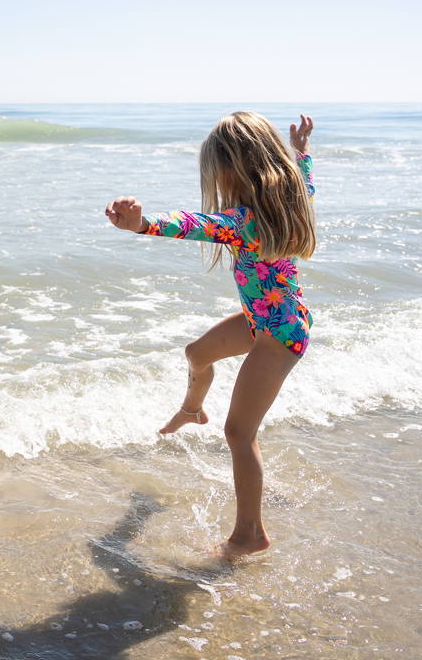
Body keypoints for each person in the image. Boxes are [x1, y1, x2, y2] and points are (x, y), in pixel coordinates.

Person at [105, 112, 316, 559]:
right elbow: (305, 178)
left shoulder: (242, 222)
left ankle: (248, 536)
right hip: (266, 317)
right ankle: (191, 410)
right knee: (197, 353)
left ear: (232, 169)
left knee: (240, 433)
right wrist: (302, 151)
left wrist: (143, 225)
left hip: (279, 335)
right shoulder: (294, 199)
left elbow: (193, 223)